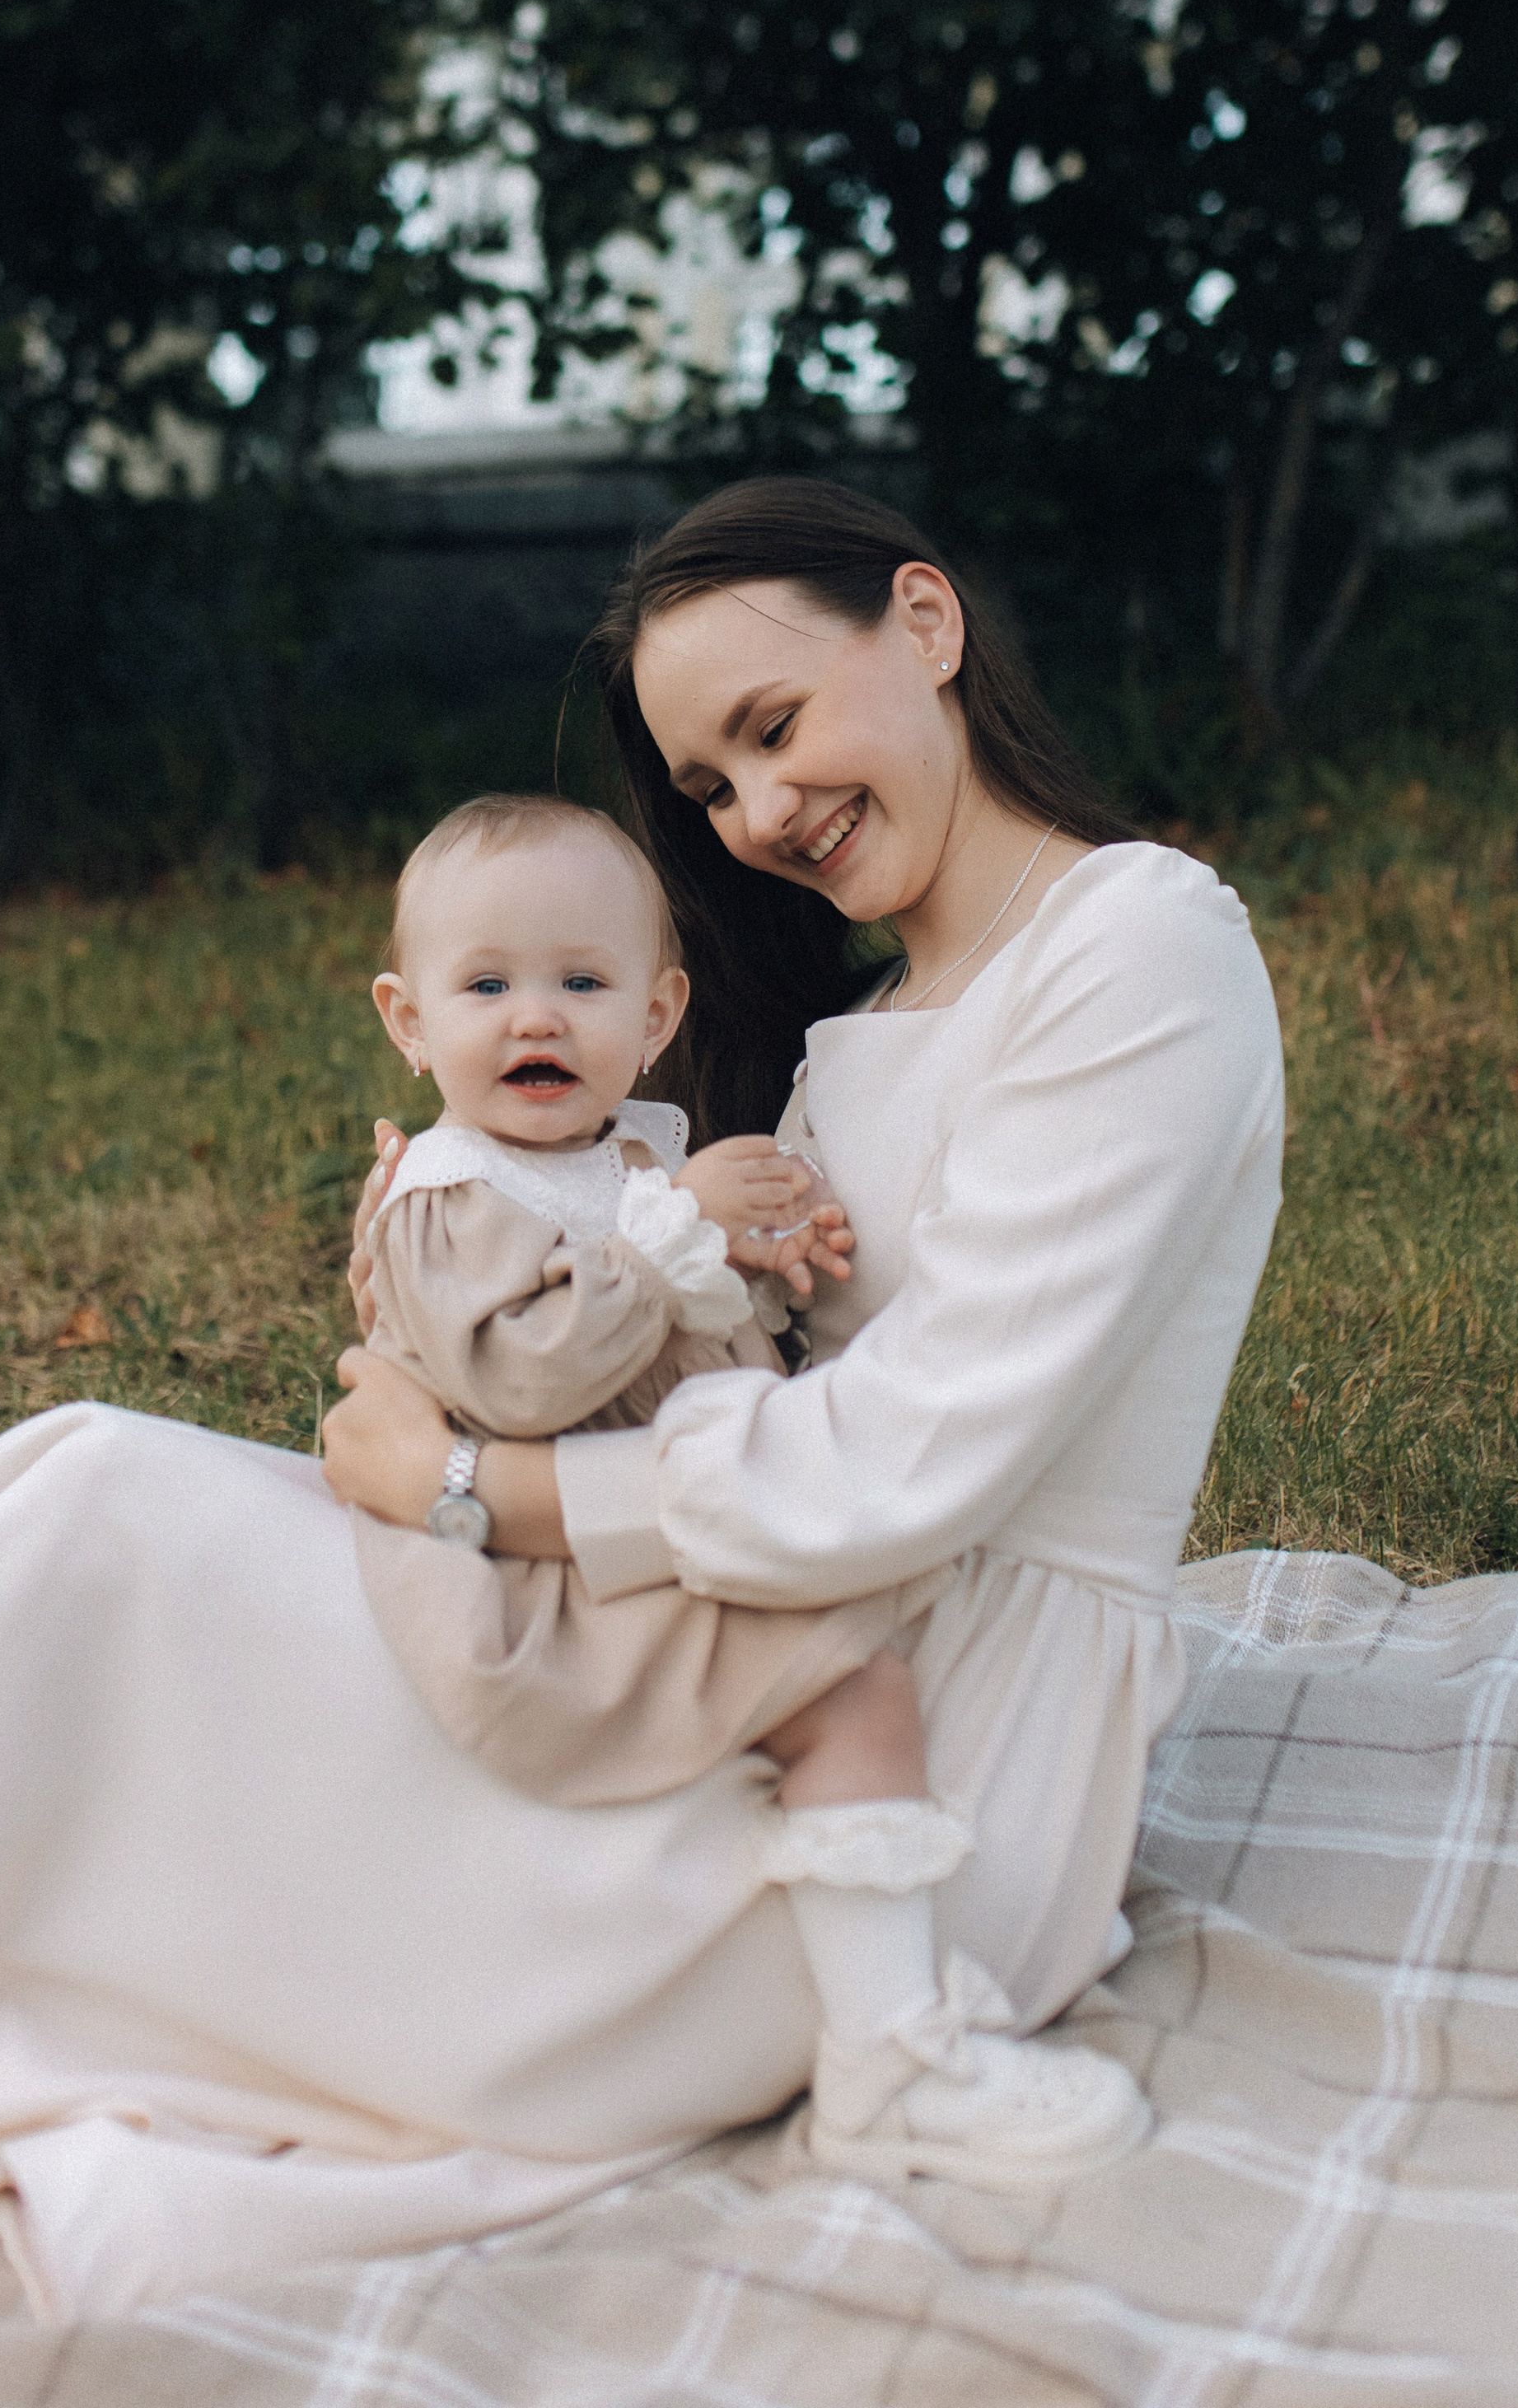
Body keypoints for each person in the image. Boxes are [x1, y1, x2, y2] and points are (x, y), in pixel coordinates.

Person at [0, 475, 1282, 2319]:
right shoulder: (874, 1017)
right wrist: (491, 1270)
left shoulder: (1138, 949)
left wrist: (469, 1490)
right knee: (81, 1483)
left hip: (918, 1744)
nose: (759, 814)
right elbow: (740, 1363)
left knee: (108, 1532)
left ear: (925, 619)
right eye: (712, 788)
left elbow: (912, 1464)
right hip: (729, 1612)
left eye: (771, 726)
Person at [350, 786, 1150, 2186]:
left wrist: (762, 1264)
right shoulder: (450, 1192)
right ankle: (893, 2058)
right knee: (851, 1693)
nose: (536, 1019)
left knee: (861, 1667)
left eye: (581, 984)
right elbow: (526, 1379)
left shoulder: (637, 1158)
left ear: (656, 1017)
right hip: (543, 1578)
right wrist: (673, 1245)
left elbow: (686, 1325)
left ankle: (868, 2005)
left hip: (651, 1525)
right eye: (485, 987)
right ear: (409, 1022)